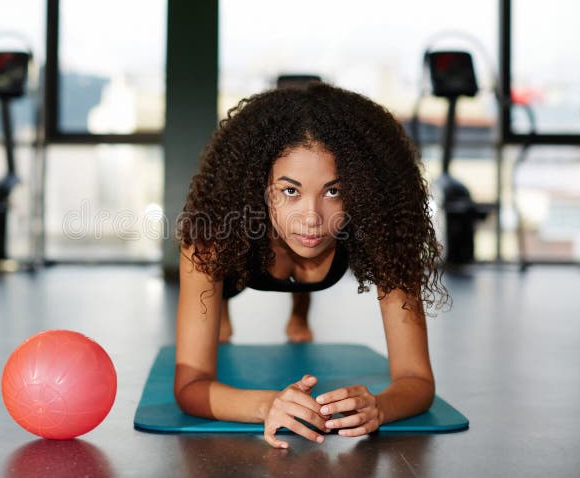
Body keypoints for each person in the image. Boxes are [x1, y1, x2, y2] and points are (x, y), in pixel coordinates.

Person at [174, 83, 450, 448]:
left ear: (363, 187)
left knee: (305, 263)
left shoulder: (382, 234)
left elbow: (416, 379)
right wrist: (267, 404)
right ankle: (222, 309)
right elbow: (190, 386)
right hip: (247, 259)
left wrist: (378, 407)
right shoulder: (212, 241)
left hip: (308, 256)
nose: (312, 217)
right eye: (290, 190)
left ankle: (298, 314)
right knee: (222, 308)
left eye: (333, 191)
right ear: (257, 185)